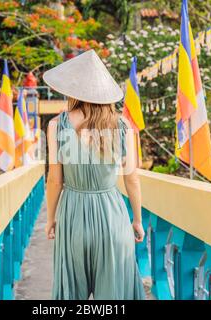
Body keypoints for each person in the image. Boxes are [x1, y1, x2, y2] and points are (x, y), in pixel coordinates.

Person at [43, 50, 146, 300]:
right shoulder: (123, 126)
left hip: (72, 216)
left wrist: (50, 219)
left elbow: (55, 180)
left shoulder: (57, 125)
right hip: (112, 217)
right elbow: (131, 178)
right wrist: (138, 220)